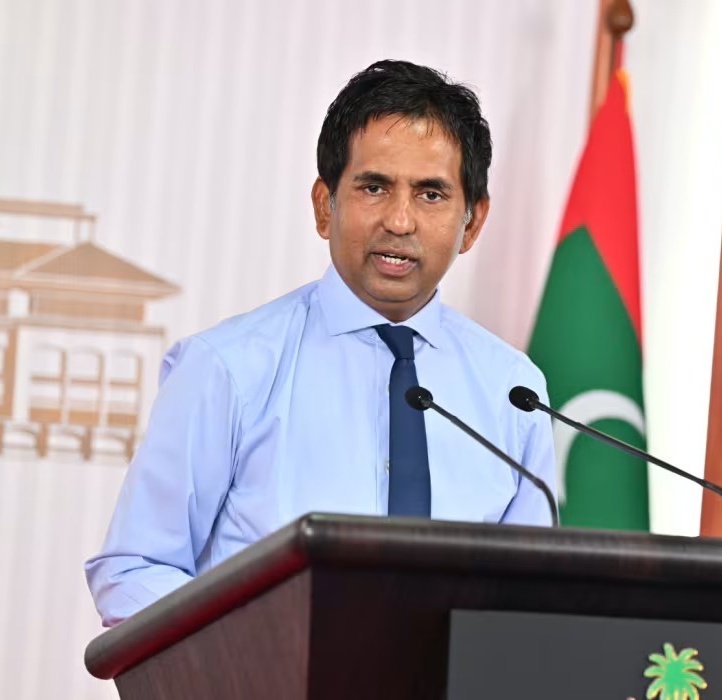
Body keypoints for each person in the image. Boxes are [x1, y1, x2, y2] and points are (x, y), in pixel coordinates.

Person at [84, 60, 558, 627]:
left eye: (431, 194)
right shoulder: (229, 368)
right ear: (323, 205)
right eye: (374, 187)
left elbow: (529, 604)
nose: (400, 221)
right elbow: (134, 568)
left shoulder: (514, 392)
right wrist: (255, 652)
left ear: (472, 223)